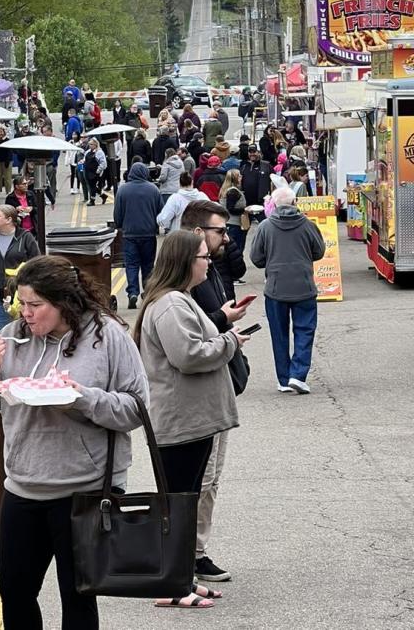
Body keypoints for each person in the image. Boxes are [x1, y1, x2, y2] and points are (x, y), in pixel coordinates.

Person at [0, 255, 148, 630]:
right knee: (14, 591)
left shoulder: (107, 335)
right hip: (24, 485)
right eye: (21, 304)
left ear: (64, 302)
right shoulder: (13, 336)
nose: (26, 313)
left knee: (78, 596)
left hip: (85, 488)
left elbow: (137, 408)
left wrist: (82, 398)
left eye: (35, 305)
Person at [134, 231, 246, 610]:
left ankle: (182, 578)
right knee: (178, 504)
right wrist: (230, 341)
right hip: (180, 422)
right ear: (184, 262)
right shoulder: (170, 305)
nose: (208, 261)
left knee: (186, 501)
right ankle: (170, 584)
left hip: (190, 421)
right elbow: (188, 355)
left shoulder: (177, 301)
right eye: (202, 257)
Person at [180, 201, 250, 583]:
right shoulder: (179, 290)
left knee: (212, 479)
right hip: (198, 400)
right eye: (218, 231)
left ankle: (196, 550)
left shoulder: (213, 268)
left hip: (221, 386)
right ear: (196, 235)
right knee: (200, 479)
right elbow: (190, 346)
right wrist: (225, 325)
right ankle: (187, 554)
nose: (226, 238)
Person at [250, 187, 325, 394]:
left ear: (273, 205)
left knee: (279, 333)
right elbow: (319, 251)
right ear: (295, 203)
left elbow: (256, 258)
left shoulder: (265, 227)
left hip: (275, 288)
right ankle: (298, 375)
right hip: (304, 286)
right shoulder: (308, 225)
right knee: (304, 331)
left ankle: (284, 379)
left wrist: (272, 261)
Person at [0, 204, 41, 329]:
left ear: (9, 220)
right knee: (1, 335)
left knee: (23, 331)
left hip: (21, 297)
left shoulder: (25, 237)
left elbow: (37, 263)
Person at [113, 162, 162, 308]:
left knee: (131, 265)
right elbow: (160, 211)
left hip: (130, 234)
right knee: (148, 265)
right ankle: (147, 292)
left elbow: (118, 214)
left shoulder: (123, 190)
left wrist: (120, 225)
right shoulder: (153, 189)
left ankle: (132, 292)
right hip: (148, 233)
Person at [220, 169, 248, 252]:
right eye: (239, 175)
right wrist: (245, 210)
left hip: (230, 223)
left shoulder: (228, 189)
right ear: (235, 178)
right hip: (234, 225)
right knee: (236, 249)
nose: (241, 177)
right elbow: (231, 209)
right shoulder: (233, 191)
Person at [240, 144, 272, 209]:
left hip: (261, 202)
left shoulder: (266, 166)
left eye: (254, 152)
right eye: (250, 152)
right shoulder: (244, 167)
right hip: (247, 203)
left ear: (258, 152)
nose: (252, 154)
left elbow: (273, 182)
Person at [84, 137, 108, 206]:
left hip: (95, 173)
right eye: (89, 144)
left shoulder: (99, 152)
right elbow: (85, 160)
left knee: (93, 187)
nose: (90, 146)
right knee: (92, 186)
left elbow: (103, 163)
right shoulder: (87, 152)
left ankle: (92, 200)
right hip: (87, 172)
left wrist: (98, 170)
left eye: (91, 144)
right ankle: (103, 196)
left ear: (95, 145)